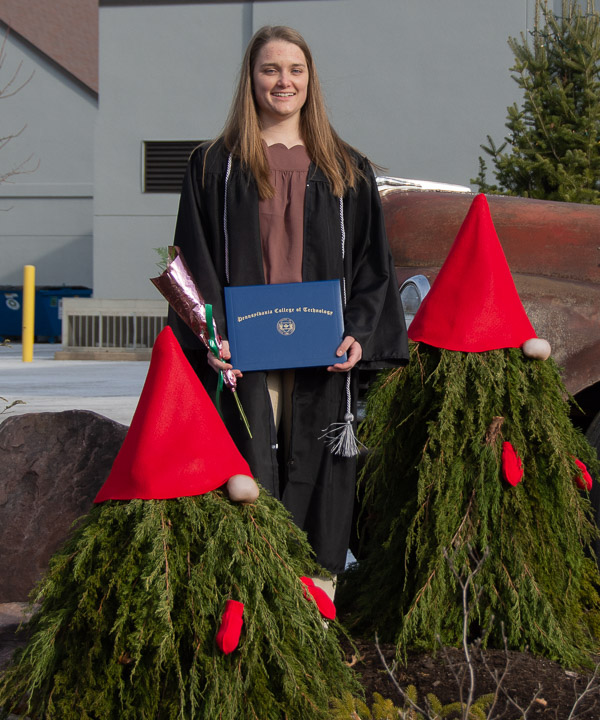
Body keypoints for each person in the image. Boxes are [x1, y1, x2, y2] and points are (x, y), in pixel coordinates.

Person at [169, 25, 408, 585]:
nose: (284, 81)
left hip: (321, 352)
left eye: (294, 70)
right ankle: (249, 602)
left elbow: (375, 266)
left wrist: (360, 332)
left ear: (310, 79)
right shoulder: (213, 167)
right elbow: (194, 260)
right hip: (243, 355)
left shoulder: (346, 168)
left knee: (321, 471)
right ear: (250, 80)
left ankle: (315, 609)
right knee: (246, 470)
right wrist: (212, 335)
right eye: (270, 69)